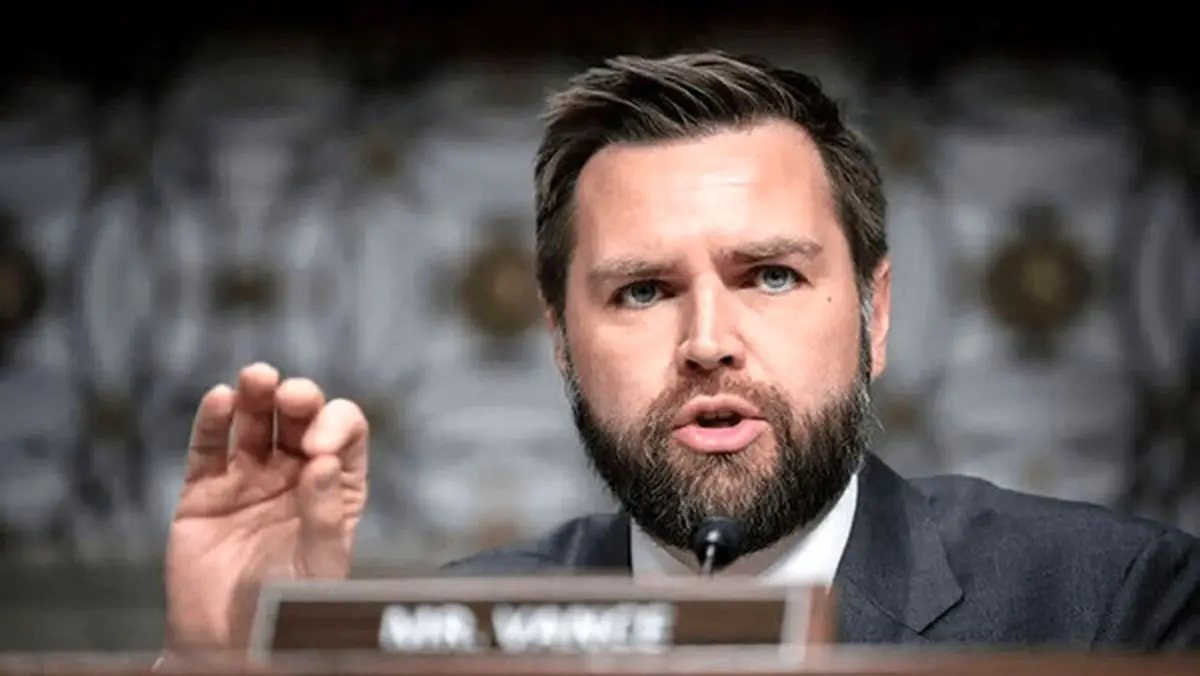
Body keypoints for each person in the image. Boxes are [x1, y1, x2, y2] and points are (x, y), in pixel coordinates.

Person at [162, 51, 1200, 654]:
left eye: (772, 276)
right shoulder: (468, 635)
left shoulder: (1113, 604)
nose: (707, 344)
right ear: (561, 343)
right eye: (644, 291)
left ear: (875, 315)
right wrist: (223, 662)